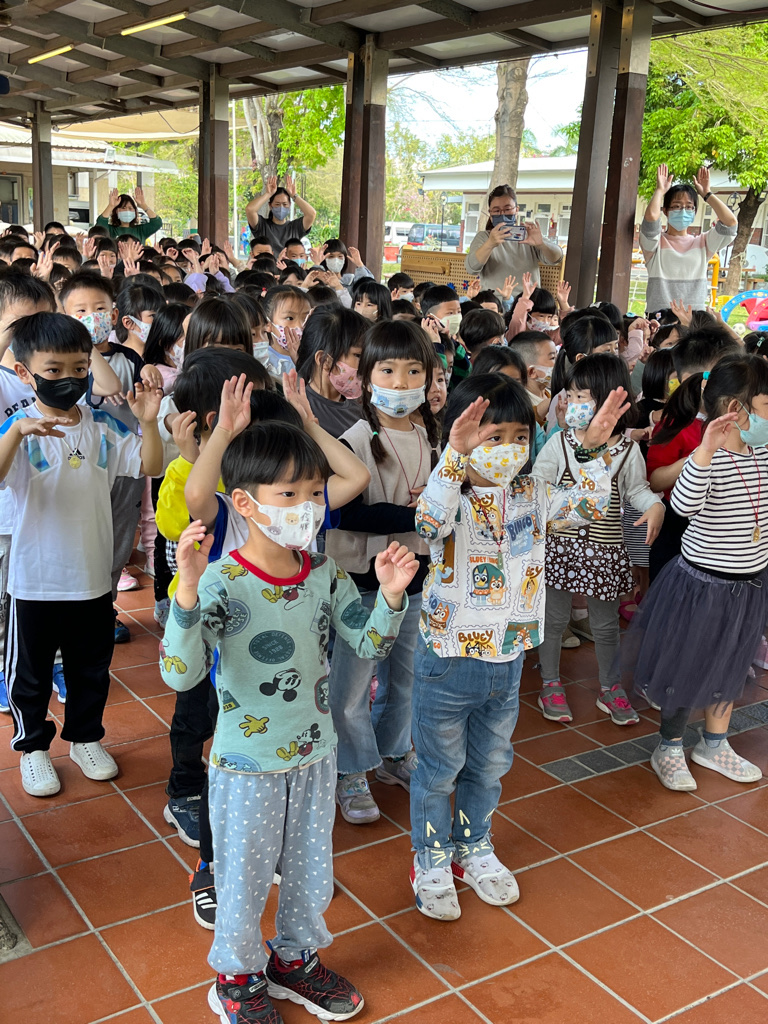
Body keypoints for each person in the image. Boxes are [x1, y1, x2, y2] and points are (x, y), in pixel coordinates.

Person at [161, 417, 414, 1022]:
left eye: (314, 492)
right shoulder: (221, 580)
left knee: (308, 870)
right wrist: (186, 593)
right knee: (244, 876)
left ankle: (294, 960)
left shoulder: (323, 572)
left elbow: (368, 642)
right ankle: (236, 976)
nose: (308, 506)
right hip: (247, 765)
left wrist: (390, 596)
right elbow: (179, 673)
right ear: (245, 503)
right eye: (289, 493)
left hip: (315, 754)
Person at [409, 373, 624, 919]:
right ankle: (430, 858)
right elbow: (427, 522)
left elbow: (591, 506)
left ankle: (473, 846)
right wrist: (455, 458)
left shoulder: (534, 495)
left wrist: (591, 452)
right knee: (437, 770)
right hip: (448, 659)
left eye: (519, 437)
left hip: (507, 660)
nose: (508, 449)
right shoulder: (449, 495)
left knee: (489, 766)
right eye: (493, 436)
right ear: (462, 435)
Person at [0, 312, 162, 797]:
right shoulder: (17, 430)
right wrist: (17, 432)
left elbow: (149, 464)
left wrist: (149, 423)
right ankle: (33, 748)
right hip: (34, 579)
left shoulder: (103, 427)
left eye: (78, 368)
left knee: (90, 668)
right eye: (53, 370)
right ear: (25, 373)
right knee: (30, 673)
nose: (68, 379)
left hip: (91, 577)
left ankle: (85, 738)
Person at [624, 353, 768, 791]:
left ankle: (714, 743)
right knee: (687, 665)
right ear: (736, 411)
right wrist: (704, 451)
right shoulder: (707, 460)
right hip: (702, 585)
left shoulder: (763, 454)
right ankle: (668, 746)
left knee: (730, 661)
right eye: (767, 405)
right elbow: (683, 506)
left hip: (747, 584)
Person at [326, 321, 440, 824]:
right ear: (367, 376)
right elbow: (346, 514)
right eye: (388, 371)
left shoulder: (429, 436)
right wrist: (413, 516)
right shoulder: (351, 439)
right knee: (352, 683)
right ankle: (350, 769)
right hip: (361, 582)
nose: (400, 383)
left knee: (406, 676)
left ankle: (393, 753)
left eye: (413, 371)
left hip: (414, 575)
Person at [533, 355, 664, 725]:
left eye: (582, 397)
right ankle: (550, 682)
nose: (572, 403)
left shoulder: (628, 450)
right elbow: (538, 483)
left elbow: (637, 489)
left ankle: (610, 686)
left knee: (606, 626)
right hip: (558, 549)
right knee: (553, 620)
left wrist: (655, 506)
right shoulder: (559, 443)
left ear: (610, 401)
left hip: (604, 551)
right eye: (571, 395)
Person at [640, 164, 737, 313]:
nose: (683, 211)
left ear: (694, 212)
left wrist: (707, 194)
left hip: (694, 320)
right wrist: (659, 191)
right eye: (676, 206)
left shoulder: (703, 243)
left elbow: (730, 223)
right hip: (660, 320)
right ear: (665, 211)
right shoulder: (655, 243)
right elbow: (651, 218)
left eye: (689, 207)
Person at [465, 184, 563, 297]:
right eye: (496, 210)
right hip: (494, 303)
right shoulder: (484, 237)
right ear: (490, 214)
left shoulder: (528, 235)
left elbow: (557, 258)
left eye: (507, 209)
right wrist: (490, 244)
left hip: (527, 301)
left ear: (516, 210)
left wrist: (542, 244)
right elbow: (471, 268)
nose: (502, 214)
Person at [296, 307, 366, 437]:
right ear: (324, 360)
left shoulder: (361, 406)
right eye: (358, 355)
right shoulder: (299, 412)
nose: (368, 363)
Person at [245, 175, 316, 257]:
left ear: (289, 205)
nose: (281, 208)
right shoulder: (262, 225)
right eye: (277, 204)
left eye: (285, 204)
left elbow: (311, 214)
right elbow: (250, 210)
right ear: (270, 205)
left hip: (289, 266)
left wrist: (294, 196)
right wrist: (268, 194)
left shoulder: (295, 227)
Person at [96, 186, 163, 242]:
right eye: (123, 208)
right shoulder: (111, 230)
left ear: (135, 211)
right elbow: (100, 223)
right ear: (116, 211)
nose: (127, 211)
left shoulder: (141, 231)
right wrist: (111, 206)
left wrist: (143, 205)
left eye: (130, 208)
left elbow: (157, 223)